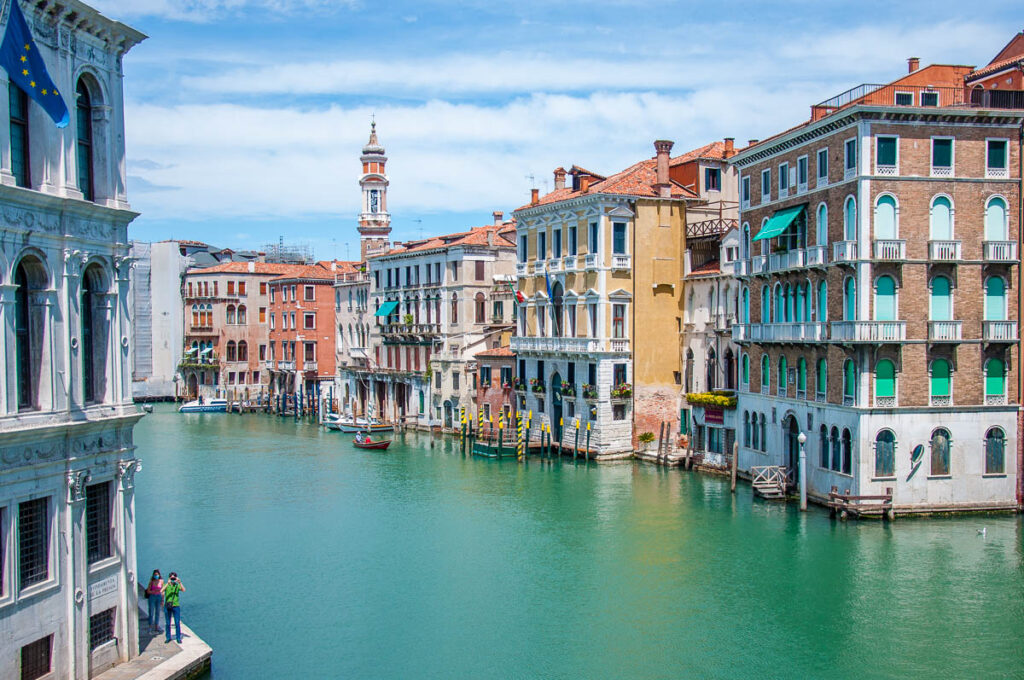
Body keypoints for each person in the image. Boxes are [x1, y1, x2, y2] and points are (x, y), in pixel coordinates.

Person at [161, 572, 186, 644]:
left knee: (177, 622)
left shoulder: (177, 585)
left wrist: (179, 582)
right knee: (168, 623)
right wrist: (167, 583)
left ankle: (178, 637)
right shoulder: (166, 585)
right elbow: (161, 591)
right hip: (168, 606)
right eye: (171, 578)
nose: (172, 579)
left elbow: (184, 590)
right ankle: (168, 637)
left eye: (173, 578)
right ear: (169, 578)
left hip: (176, 605)